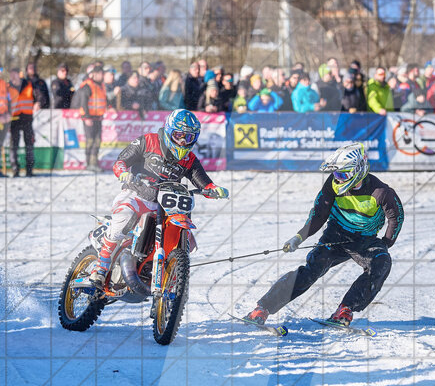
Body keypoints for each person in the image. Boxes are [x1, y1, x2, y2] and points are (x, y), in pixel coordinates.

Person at [243, 143, 404, 328]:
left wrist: (386, 243)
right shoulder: (333, 184)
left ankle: (345, 310)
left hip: (364, 240)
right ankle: (262, 308)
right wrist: (299, 237)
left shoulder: (381, 192)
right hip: (335, 235)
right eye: (335, 174)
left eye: (342, 175)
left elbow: (396, 217)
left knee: (382, 263)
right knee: (312, 270)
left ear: (357, 170)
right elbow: (319, 214)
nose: (338, 179)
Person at [84, 109, 229, 290]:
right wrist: (123, 173)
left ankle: (165, 271)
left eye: (189, 137)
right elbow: (121, 161)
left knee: (184, 237)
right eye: (179, 135)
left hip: (164, 203)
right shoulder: (148, 141)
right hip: (136, 194)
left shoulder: (189, 158)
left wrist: (213, 189)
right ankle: (100, 269)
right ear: (169, 130)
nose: (183, 142)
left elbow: (203, 181)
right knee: (122, 221)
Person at [72, 63, 108, 171]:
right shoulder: (87, 86)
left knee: (97, 141)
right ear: (94, 74)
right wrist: (86, 117)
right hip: (89, 118)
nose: (102, 76)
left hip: (98, 117)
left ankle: (94, 163)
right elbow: (83, 103)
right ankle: (89, 163)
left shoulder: (101, 86)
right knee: (90, 141)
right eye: (100, 74)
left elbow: (103, 100)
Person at [8, 67, 37, 177]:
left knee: (29, 144)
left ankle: (29, 170)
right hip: (14, 119)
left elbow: (39, 96)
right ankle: (15, 169)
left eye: (14, 74)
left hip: (27, 118)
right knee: (13, 146)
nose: (12, 77)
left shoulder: (29, 85)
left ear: (19, 74)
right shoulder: (7, 87)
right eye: (11, 75)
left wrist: (39, 102)